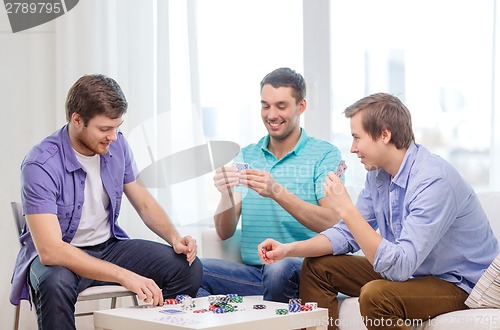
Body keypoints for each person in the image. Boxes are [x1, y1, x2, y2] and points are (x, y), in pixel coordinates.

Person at [258, 92, 499, 329]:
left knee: (376, 295)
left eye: (357, 138)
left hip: (459, 284)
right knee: (317, 267)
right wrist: (289, 250)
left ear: (384, 134)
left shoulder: (433, 180)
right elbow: (346, 235)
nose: (352, 149)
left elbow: (400, 266)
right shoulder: (378, 176)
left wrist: (346, 209)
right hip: (414, 273)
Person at [9, 74, 202, 330]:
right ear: (77, 120)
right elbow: (51, 250)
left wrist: (175, 238)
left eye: (117, 127)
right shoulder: (40, 164)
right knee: (54, 284)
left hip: (108, 247)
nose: (113, 136)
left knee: (186, 268)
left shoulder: (117, 145)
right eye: (104, 129)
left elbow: (143, 202)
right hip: (61, 257)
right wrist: (124, 276)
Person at [197, 67, 343, 302]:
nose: (271, 114)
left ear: (301, 107)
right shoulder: (247, 155)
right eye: (265, 106)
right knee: (190, 271)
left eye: (281, 106)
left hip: (304, 270)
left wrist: (276, 192)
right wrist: (226, 195)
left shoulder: (325, 155)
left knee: (279, 267)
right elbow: (224, 233)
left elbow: (333, 223)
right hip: (255, 273)